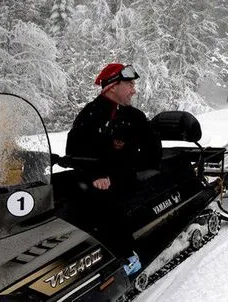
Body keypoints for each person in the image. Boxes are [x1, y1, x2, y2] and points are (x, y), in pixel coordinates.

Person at [65, 63, 162, 275]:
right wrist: (95, 175)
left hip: (129, 180)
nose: (134, 90)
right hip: (101, 181)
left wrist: (144, 168)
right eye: (129, 84)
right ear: (112, 86)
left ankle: (128, 256)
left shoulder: (134, 116)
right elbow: (74, 153)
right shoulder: (90, 116)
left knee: (107, 202)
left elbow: (152, 147)